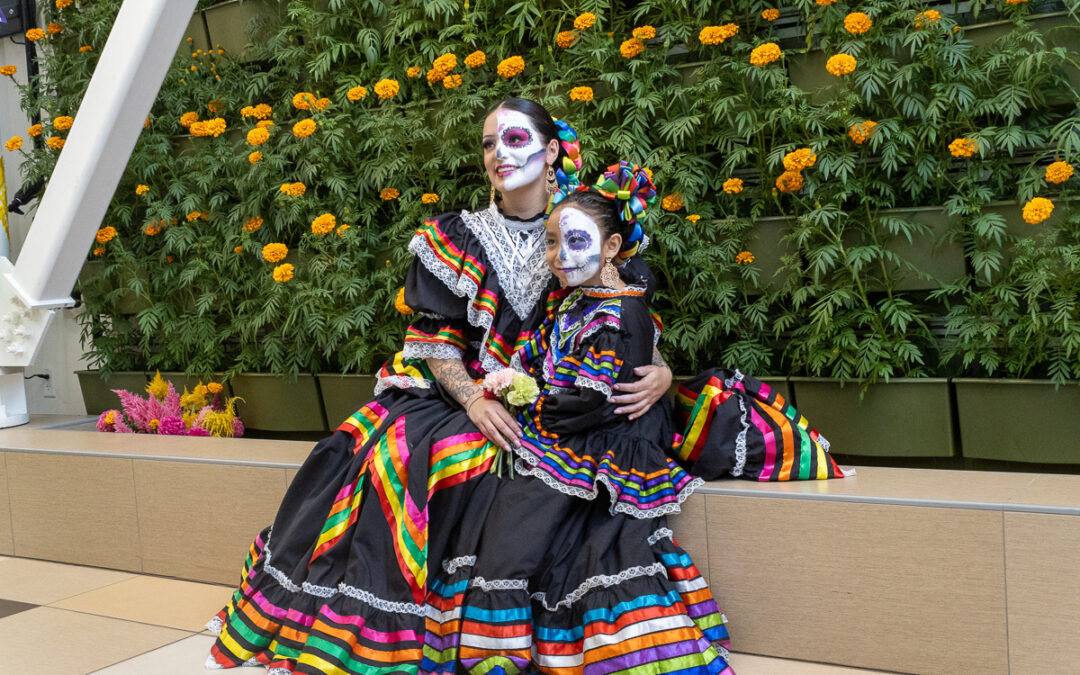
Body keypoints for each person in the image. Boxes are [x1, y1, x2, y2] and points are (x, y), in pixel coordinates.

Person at [205, 99, 673, 674]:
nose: (499, 153)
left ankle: (486, 622)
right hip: (465, 393)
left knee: (486, 465)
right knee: (384, 450)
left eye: (517, 139)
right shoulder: (454, 235)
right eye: (487, 143)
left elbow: (623, 318)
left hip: (567, 399)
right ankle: (377, 619)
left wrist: (665, 370)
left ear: (552, 151)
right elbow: (437, 345)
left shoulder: (590, 224)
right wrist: (475, 397)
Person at [446, 162, 848, 674]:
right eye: (550, 243)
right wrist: (511, 386)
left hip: (610, 438)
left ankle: (521, 647)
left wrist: (530, 410)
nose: (558, 255)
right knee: (518, 519)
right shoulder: (577, 301)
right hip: (584, 430)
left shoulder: (619, 309)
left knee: (551, 532)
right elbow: (555, 369)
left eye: (572, 241)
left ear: (612, 248)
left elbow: (595, 398)